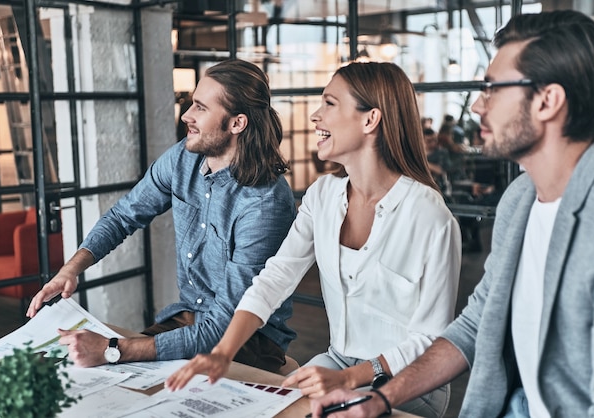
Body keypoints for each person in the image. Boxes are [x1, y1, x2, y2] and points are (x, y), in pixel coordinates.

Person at [310, 9, 594, 417]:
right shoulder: (520, 201)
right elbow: (474, 327)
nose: (477, 105)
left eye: (493, 88)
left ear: (548, 100)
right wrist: (381, 398)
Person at [165, 61, 462, 418]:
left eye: (330, 104)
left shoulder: (429, 216)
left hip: (409, 383)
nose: (315, 116)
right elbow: (275, 279)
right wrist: (223, 352)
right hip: (338, 361)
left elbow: (433, 341)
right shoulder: (322, 196)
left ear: (370, 120)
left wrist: (351, 378)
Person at [26, 59, 297, 372]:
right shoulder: (184, 158)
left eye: (201, 108)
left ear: (237, 123)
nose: (186, 115)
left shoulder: (264, 204)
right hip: (188, 317)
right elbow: (123, 216)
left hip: (250, 340)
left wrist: (114, 349)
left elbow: (224, 327)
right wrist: (71, 269)